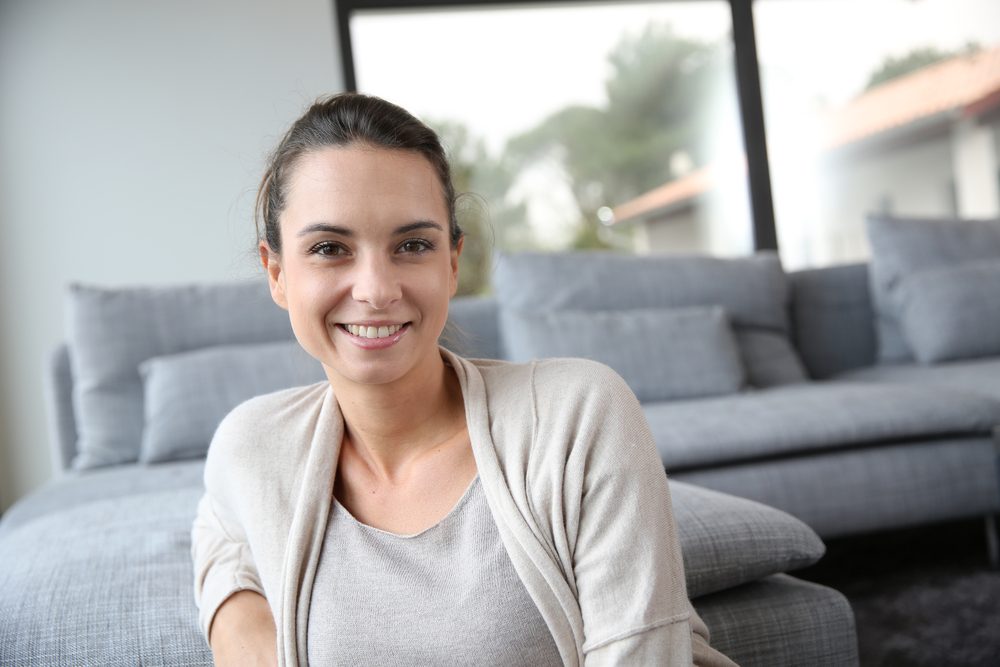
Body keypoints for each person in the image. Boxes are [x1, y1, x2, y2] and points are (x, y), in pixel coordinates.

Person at [191, 92, 735, 666]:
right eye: (330, 248)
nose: (376, 289)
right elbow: (218, 535)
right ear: (277, 274)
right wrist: (238, 623)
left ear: (451, 264)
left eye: (412, 245)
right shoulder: (253, 442)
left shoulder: (580, 413)